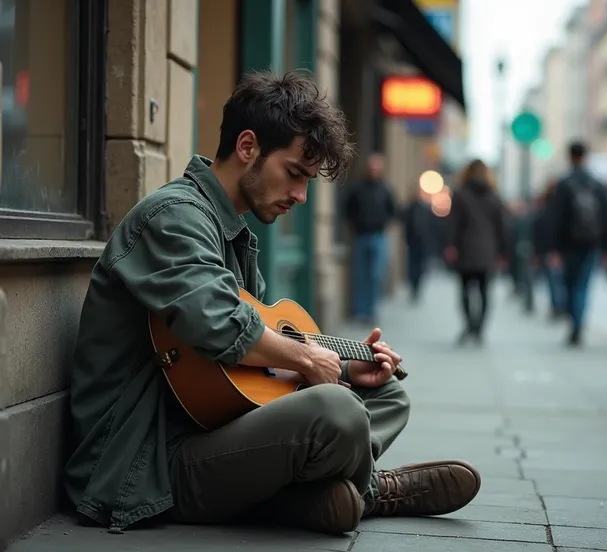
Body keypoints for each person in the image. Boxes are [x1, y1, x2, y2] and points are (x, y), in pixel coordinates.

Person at [63, 70, 481, 536]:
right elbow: (222, 325)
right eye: (295, 174)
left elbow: (250, 373)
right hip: (143, 463)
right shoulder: (173, 218)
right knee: (338, 414)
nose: (301, 196)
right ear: (247, 147)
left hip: (211, 426)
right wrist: (309, 360)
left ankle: (311, 497)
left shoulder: (234, 233)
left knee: (386, 394)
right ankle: (369, 492)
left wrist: (344, 369)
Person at [547, 141, 607, 346]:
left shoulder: (564, 184)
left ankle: (573, 323)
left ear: (570, 157)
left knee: (569, 283)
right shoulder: (597, 183)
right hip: (591, 241)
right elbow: (606, 216)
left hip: (568, 242)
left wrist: (553, 247)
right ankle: (578, 324)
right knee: (583, 284)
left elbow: (555, 217)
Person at [444, 159, 508, 345]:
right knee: (485, 292)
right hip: (488, 251)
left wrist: (450, 245)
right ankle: (479, 328)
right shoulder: (494, 196)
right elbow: (502, 226)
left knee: (465, 290)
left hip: (465, 250)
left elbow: (453, 224)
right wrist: (503, 251)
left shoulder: (460, 195)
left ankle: (469, 325)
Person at [343, 153, 397, 326]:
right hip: (360, 236)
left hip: (378, 237)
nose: (374, 171)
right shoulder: (357, 188)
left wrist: (383, 222)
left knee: (375, 275)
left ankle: (371, 311)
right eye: (371, 167)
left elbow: (393, 210)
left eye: (377, 168)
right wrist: (355, 224)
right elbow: (346, 209)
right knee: (360, 275)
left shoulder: (385, 189)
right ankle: (360, 311)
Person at [532, 179, 566, 320]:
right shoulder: (563, 207)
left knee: (553, 281)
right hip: (562, 249)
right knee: (560, 281)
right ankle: (562, 307)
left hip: (549, 249)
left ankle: (557, 307)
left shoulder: (546, 208)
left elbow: (538, 229)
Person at [402, 184, 434, 302]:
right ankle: (413, 286)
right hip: (412, 241)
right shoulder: (409, 208)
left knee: (420, 266)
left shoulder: (425, 209)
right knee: (412, 266)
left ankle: (417, 287)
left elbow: (431, 226)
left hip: (423, 242)